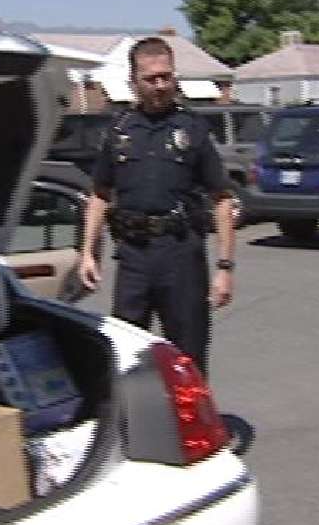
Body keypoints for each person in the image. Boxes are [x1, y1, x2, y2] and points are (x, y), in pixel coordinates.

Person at [77, 37, 235, 378]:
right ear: (134, 81)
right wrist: (89, 252)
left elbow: (222, 200)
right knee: (126, 355)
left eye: (167, 76)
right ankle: (138, 414)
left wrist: (225, 268)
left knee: (188, 357)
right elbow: (100, 194)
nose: (161, 85)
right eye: (152, 79)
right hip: (133, 257)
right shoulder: (119, 130)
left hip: (180, 255)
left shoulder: (192, 129)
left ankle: (192, 415)